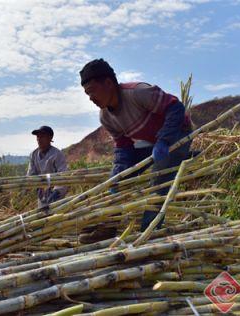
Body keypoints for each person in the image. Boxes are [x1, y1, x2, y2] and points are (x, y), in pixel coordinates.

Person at [78, 58, 192, 243]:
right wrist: (120, 172)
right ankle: (108, 226)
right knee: (117, 181)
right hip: (150, 141)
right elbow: (123, 145)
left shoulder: (138, 93)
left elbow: (175, 108)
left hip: (177, 133)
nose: (91, 98)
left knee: (159, 180)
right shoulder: (106, 117)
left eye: (92, 91)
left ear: (108, 83)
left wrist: (164, 140)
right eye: (87, 94)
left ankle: (148, 233)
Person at [27, 126, 68, 208]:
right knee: (42, 217)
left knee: (56, 217)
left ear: (50, 138)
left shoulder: (57, 154)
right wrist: (35, 186)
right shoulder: (34, 154)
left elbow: (63, 175)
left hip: (56, 194)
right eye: (38, 136)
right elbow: (31, 174)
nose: (39, 139)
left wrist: (57, 191)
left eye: (42, 136)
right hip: (42, 193)